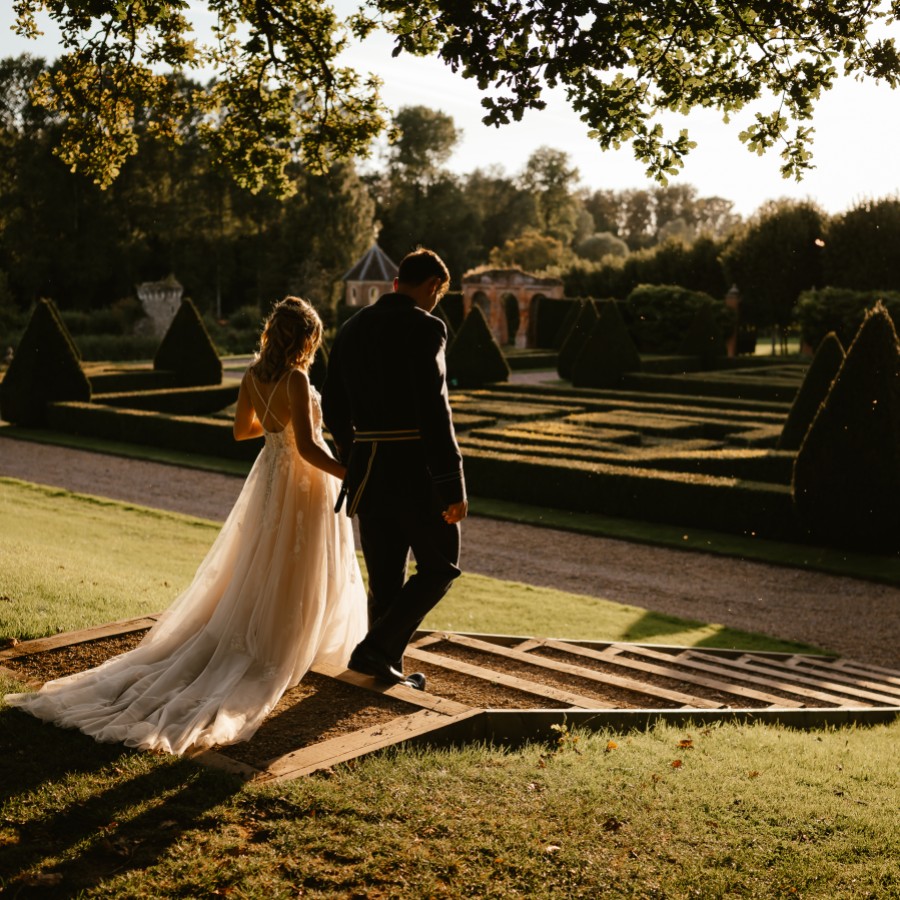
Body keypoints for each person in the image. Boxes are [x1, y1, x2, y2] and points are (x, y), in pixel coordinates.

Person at [5, 297, 366, 755]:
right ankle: (286, 642)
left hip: (272, 477)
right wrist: (350, 473)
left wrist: (277, 430)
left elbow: (242, 431)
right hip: (302, 481)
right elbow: (312, 449)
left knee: (263, 559)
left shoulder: (253, 375)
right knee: (298, 559)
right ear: (306, 338)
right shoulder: (295, 377)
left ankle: (270, 633)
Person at [322, 248, 467, 690]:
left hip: (367, 472)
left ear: (396, 281)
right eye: (438, 294)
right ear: (433, 286)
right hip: (415, 473)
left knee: (385, 579)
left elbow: (332, 404)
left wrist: (354, 451)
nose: (435, 302)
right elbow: (435, 410)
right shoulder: (426, 327)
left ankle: (385, 666)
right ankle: (375, 650)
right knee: (441, 566)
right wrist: (453, 485)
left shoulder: (352, 326)